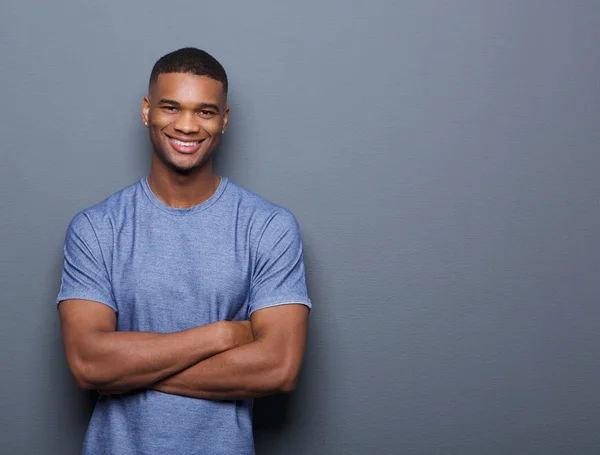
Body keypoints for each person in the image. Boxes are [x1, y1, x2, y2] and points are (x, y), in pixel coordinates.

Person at [56, 47, 311, 455]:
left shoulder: (268, 227)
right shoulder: (96, 228)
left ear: (224, 120)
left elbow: (278, 368)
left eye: (205, 112)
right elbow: (88, 363)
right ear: (146, 111)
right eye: (171, 107)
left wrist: (126, 369)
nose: (187, 126)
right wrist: (222, 334)